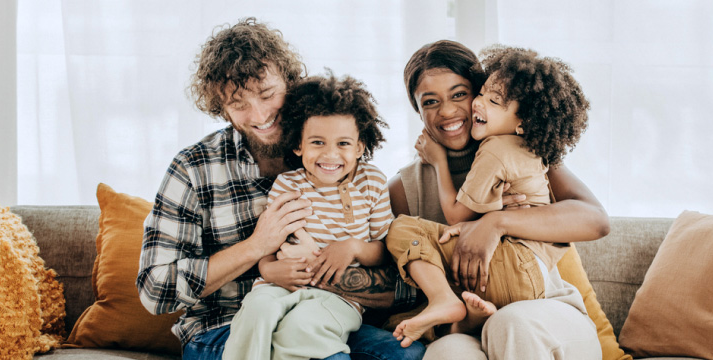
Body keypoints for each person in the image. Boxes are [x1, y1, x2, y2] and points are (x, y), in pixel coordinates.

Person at [137, 18, 423, 360]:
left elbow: (403, 285)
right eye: (238, 103)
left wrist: (322, 272)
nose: (259, 114)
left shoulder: (336, 157)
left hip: (327, 312)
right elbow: (155, 290)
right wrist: (257, 248)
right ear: (220, 108)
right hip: (227, 327)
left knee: (406, 355)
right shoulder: (194, 168)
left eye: (267, 94)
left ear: (290, 81)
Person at [388, 39, 611, 360]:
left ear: (479, 94)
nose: (447, 111)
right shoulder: (404, 188)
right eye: (430, 102)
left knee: (511, 323)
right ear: (418, 110)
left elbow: (596, 221)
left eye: (459, 94)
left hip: (545, 312)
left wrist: (496, 222)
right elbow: (407, 283)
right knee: (447, 353)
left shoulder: (526, 149)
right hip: (469, 324)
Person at [222, 73, 396, 360]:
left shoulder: (372, 182)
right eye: (317, 142)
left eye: (343, 144)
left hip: (340, 297)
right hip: (279, 284)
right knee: (257, 311)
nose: (330, 155)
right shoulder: (288, 185)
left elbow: (384, 249)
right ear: (298, 145)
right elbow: (271, 243)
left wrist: (352, 247)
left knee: (301, 327)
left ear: (360, 147)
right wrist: (267, 269)